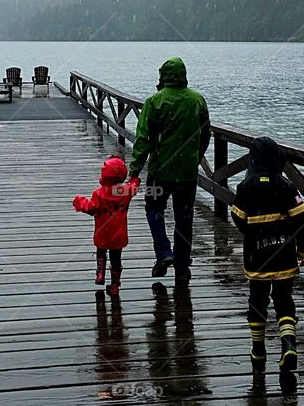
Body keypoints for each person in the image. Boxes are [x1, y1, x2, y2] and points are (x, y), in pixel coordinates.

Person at [230, 137, 304, 375]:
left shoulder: (245, 187)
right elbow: (301, 219)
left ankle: (258, 350)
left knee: (257, 301)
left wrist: (252, 232)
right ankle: (288, 345)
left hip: (257, 257)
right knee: (284, 300)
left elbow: (237, 217)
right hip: (284, 254)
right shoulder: (286, 185)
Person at [128, 57, 210, 285]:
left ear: (163, 76)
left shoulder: (154, 101)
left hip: (159, 173)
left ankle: (164, 252)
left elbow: (143, 139)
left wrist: (134, 171)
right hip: (187, 174)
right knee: (184, 217)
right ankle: (182, 267)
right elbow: (206, 132)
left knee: (153, 208)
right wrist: (196, 157)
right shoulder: (197, 100)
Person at [73, 155, 140, 296]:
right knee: (116, 259)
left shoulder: (99, 193)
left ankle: (100, 274)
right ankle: (114, 285)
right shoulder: (125, 191)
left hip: (103, 233)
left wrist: (79, 202)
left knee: (101, 251)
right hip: (118, 234)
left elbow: (91, 208)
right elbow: (134, 187)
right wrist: (135, 179)